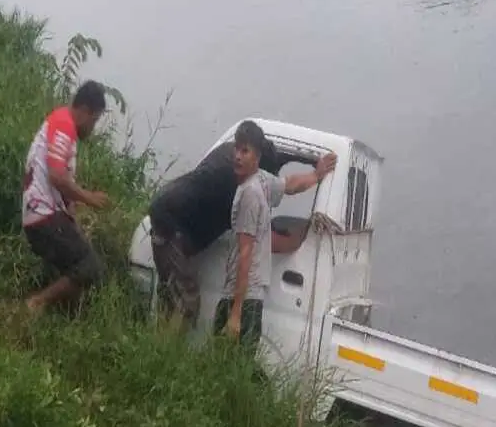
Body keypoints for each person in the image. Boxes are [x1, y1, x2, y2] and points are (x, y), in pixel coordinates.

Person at [148, 125, 334, 329]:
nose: (240, 155)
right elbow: (260, 240)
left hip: (176, 217)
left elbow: (287, 184)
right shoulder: (235, 185)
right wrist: (306, 236)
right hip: (169, 225)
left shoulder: (248, 168)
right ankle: (163, 352)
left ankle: (162, 343)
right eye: (240, 151)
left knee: (173, 302)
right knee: (185, 304)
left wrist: (316, 175)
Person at [21, 81, 111, 313]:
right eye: (95, 120)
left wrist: (74, 220)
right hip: (43, 217)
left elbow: (60, 185)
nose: (92, 127)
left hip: (43, 216)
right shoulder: (64, 125)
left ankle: (61, 319)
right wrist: (90, 198)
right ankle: (35, 304)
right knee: (90, 267)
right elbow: (57, 177)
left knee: (80, 271)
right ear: (85, 111)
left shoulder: (61, 123)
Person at [216, 120, 284, 348]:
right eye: (236, 149)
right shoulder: (263, 182)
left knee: (217, 368)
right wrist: (316, 175)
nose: (237, 156)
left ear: (257, 157)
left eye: (244, 151)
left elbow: (245, 252)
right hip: (252, 298)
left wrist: (235, 314)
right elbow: (291, 184)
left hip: (241, 298)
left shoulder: (249, 194)